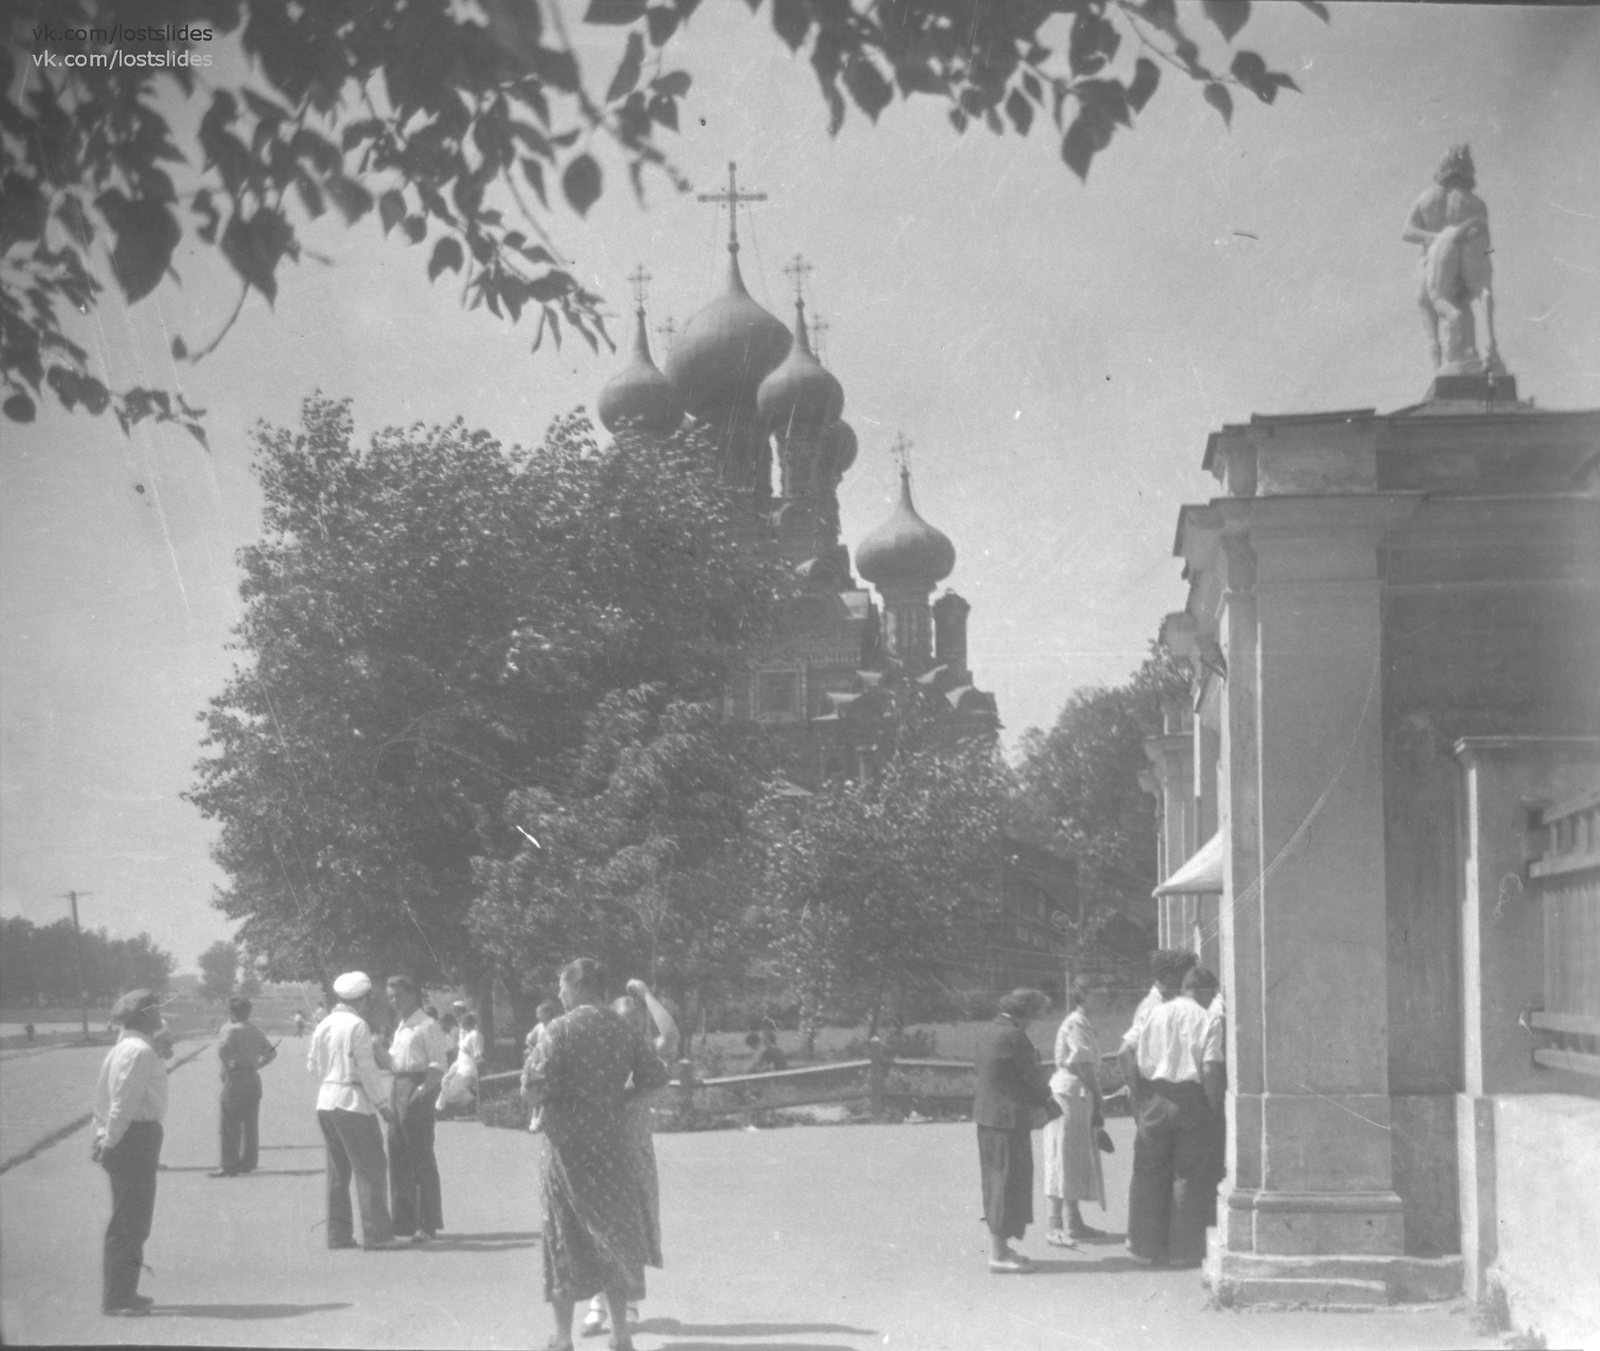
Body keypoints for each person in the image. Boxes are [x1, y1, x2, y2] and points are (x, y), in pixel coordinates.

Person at [525, 957, 670, 1351]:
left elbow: (533, 1088)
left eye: (562, 986)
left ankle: (562, 1337)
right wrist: (621, 1100)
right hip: (613, 1145)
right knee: (613, 1235)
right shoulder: (623, 1027)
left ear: (579, 987)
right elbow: (656, 1079)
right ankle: (621, 1334)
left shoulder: (559, 1029)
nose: (558, 993)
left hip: (566, 1151)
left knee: (563, 1234)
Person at [580, 980, 680, 1340]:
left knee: (630, 1226)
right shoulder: (596, 1051)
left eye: (634, 1021)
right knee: (594, 1225)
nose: (627, 1027)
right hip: (595, 1149)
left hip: (633, 1151)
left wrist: (648, 995)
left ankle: (630, 1304)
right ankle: (597, 1301)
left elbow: (670, 1037)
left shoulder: (646, 1053)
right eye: (619, 1019)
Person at [1118, 963, 1223, 1267]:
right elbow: (1209, 1067)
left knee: (1147, 1171)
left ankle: (1143, 1248)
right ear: (1202, 990)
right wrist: (1213, 1105)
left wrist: (1138, 1093)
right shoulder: (1207, 1018)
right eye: (1210, 994)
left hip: (1153, 1097)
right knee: (1188, 1175)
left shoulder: (1154, 1012)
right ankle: (1183, 1251)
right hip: (1191, 1100)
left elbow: (1125, 1052)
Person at [92, 989, 171, 1315]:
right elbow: (122, 1107)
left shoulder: (123, 1049)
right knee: (130, 1222)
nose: (160, 1018)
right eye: (155, 1013)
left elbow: (101, 1103)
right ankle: (117, 1298)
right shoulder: (140, 1052)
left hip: (129, 1137)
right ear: (144, 1017)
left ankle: (126, 1290)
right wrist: (109, 1143)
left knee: (133, 1220)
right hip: (134, 1138)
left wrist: (102, 1137)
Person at [306, 971, 397, 1250]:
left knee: (338, 1172)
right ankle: (378, 1235)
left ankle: (338, 1234)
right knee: (370, 1168)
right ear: (363, 998)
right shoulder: (358, 1025)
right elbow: (367, 1070)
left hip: (326, 1101)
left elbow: (312, 1066)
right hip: (352, 1103)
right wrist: (383, 1105)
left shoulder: (324, 1024)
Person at [972, 988, 1057, 1273]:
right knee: (1007, 1184)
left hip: (988, 1116)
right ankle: (998, 1254)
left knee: (996, 1182)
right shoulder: (1015, 1036)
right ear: (1027, 1012)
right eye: (1038, 1013)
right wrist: (1048, 1102)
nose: (1038, 1020)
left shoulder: (990, 1030)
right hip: (1008, 1119)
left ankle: (1002, 1247)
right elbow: (1031, 1076)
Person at [1043, 977, 1110, 1246]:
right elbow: (1083, 1065)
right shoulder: (1075, 1023)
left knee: (1073, 1157)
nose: (1104, 998)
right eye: (1098, 993)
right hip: (1068, 1093)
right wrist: (1098, 1095)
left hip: (1078, 1094)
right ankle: (1054, 1225)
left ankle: (1073, 1221)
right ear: (1082, 996)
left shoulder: (1085, 1024)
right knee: (1061, 1155)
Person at [386, 974, 448, 1243]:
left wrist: (422, 1093)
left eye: (398, 995)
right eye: (390, 996)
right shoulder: (401, 1026)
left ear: (413, 994)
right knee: (397, 1153)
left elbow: (437, 1066)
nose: (394, 1001)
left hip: (417, 1087)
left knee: (420, 1155)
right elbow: (395, 1063)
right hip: (398, 1086)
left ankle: (427, 1223)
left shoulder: (427, 1025)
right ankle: (403, 1222)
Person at [212, 995, 277, 1177]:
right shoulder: (255, 1030)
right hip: (252, 1077)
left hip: (236, 1077)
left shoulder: (231, 1030)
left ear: (232, 1012)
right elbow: (272, 1053)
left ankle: (228, 1164)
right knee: (250, 1122)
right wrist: (257, 1065)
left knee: (229, 1121)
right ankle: (248, 1162)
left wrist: (227, 1067)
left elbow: (222, 1049)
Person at [438, 1012, 483, 1116]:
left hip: (468, 1068)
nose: (461, 1025)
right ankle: (442, 1108)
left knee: (452, 1094)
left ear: (468, 1023)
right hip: (459, 1065)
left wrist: (477, 1071)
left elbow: (478, 1055)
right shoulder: (465, 1034)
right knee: (445, 1081)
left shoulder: (475, 1034)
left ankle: (473, 1101)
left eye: (463, 1023)